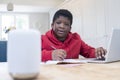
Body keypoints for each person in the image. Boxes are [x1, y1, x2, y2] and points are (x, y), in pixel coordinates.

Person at [42, 9, 107, 62]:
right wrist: (51, 55)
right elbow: (32, 55)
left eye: (66, 24)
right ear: (52, 25)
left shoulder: (76, 40)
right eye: (58, 23)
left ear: (70, 28)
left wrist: (98, 52)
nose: (62, 26)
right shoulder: (42, 39)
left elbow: (89, 52)